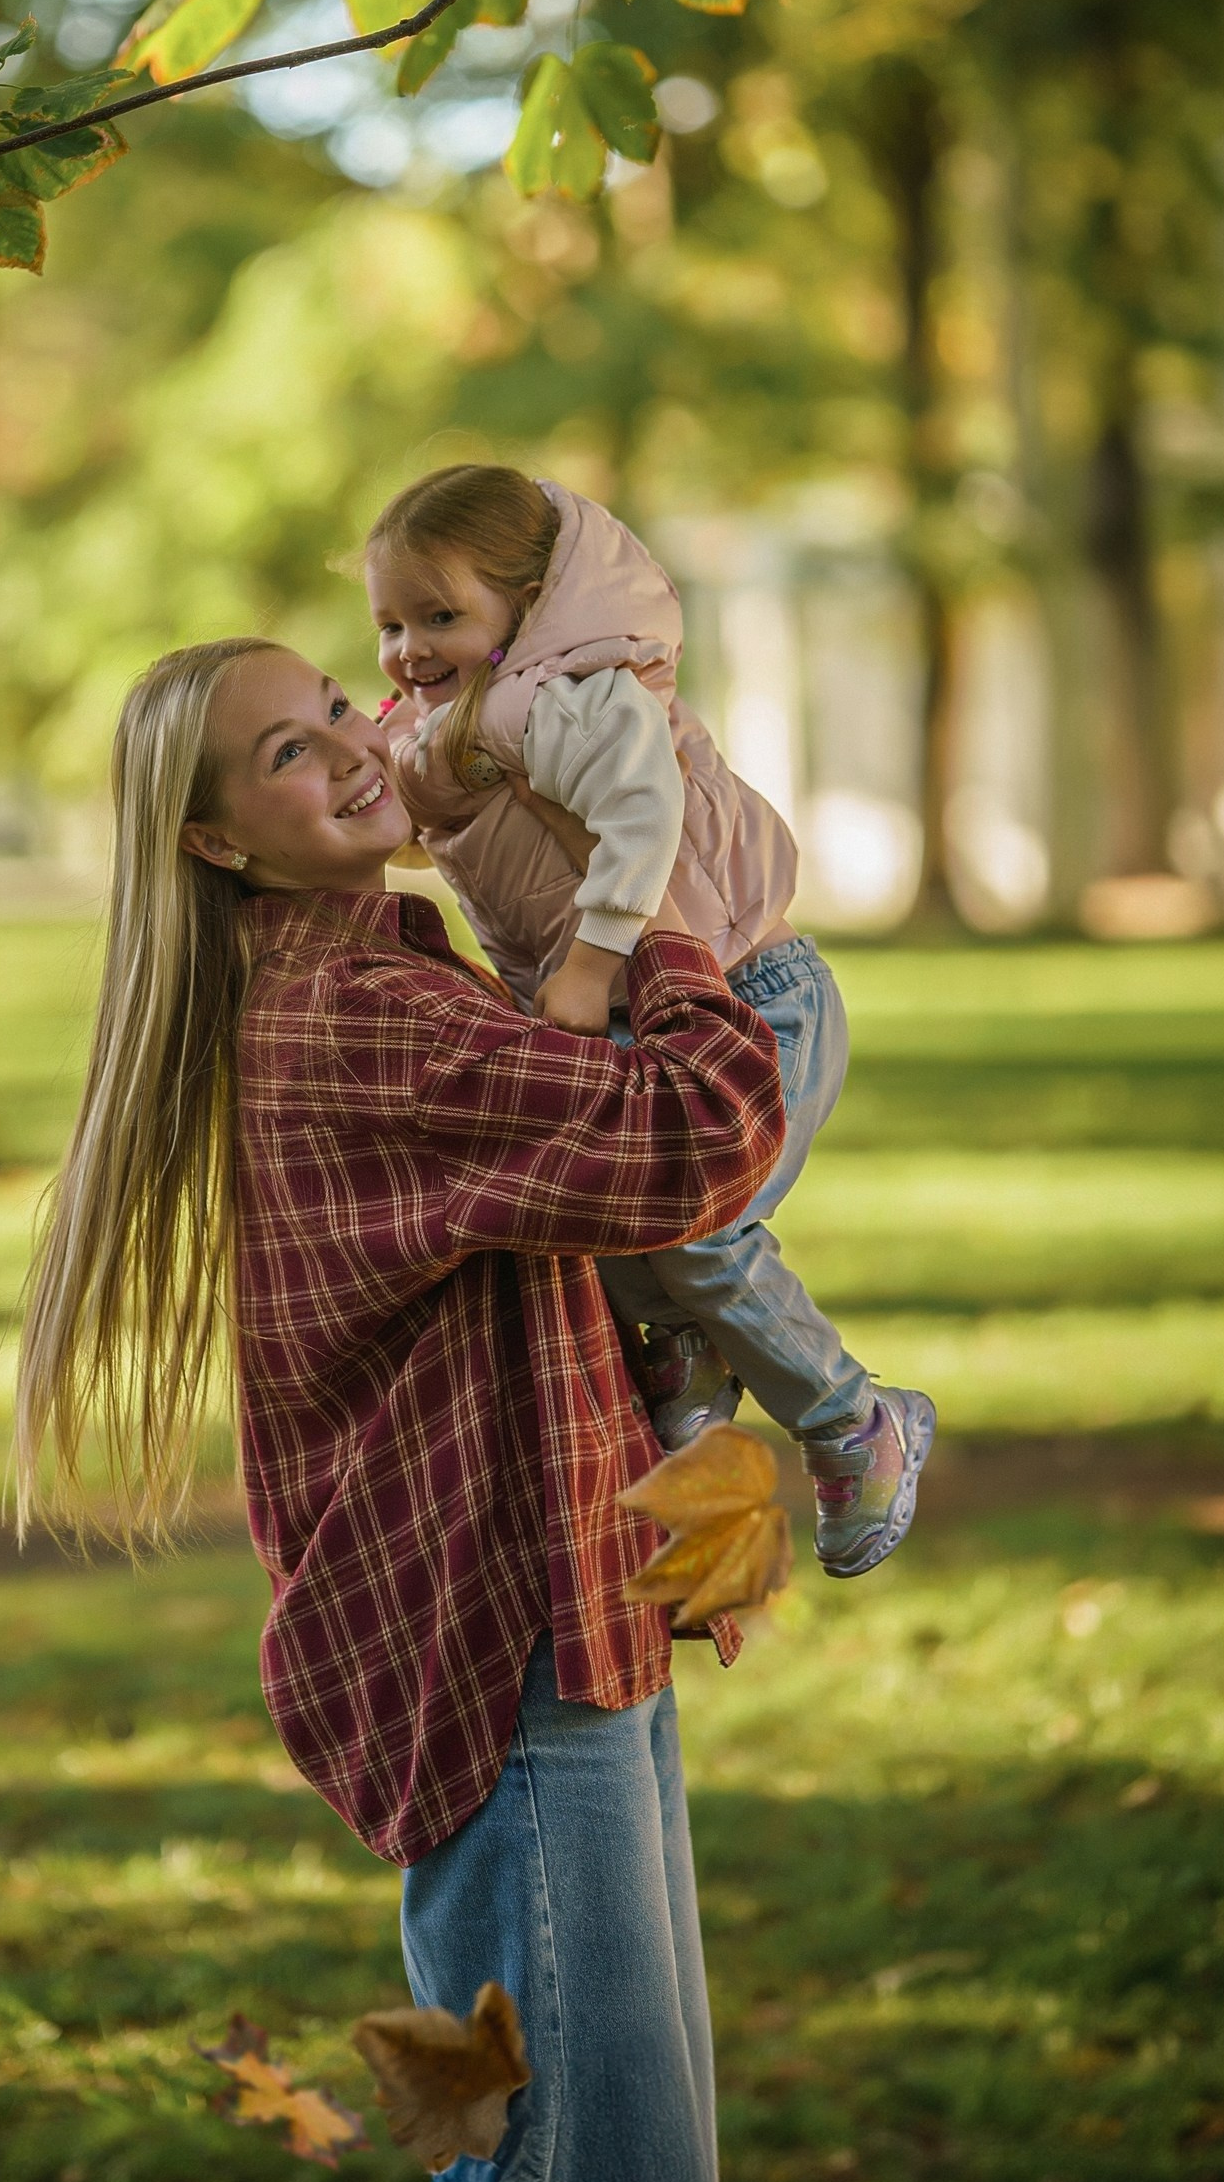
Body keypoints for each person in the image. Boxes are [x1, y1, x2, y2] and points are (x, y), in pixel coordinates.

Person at [16, 637, 790, 2182]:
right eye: (288, 755)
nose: (353, 749)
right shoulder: (359, 1014)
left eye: (334, 710)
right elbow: (696, 1133)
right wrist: (658, 902)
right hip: (501, 1649)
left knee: (644, 2175)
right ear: (214, 842)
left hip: (575, 1611)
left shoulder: (397, 971)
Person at [362, 464, 933, 1579]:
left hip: (753, 998)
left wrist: (585, 969)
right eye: (389, 624)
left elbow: (643, 819)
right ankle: (689, 1355)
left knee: (697, 1230)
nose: (407, 649)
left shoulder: (571, 697)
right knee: (613, 1217)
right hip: (650, 1019)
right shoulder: (459, 722)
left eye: (440, 616)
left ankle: (856, 1423)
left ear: (527, 607)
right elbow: (439, 828)